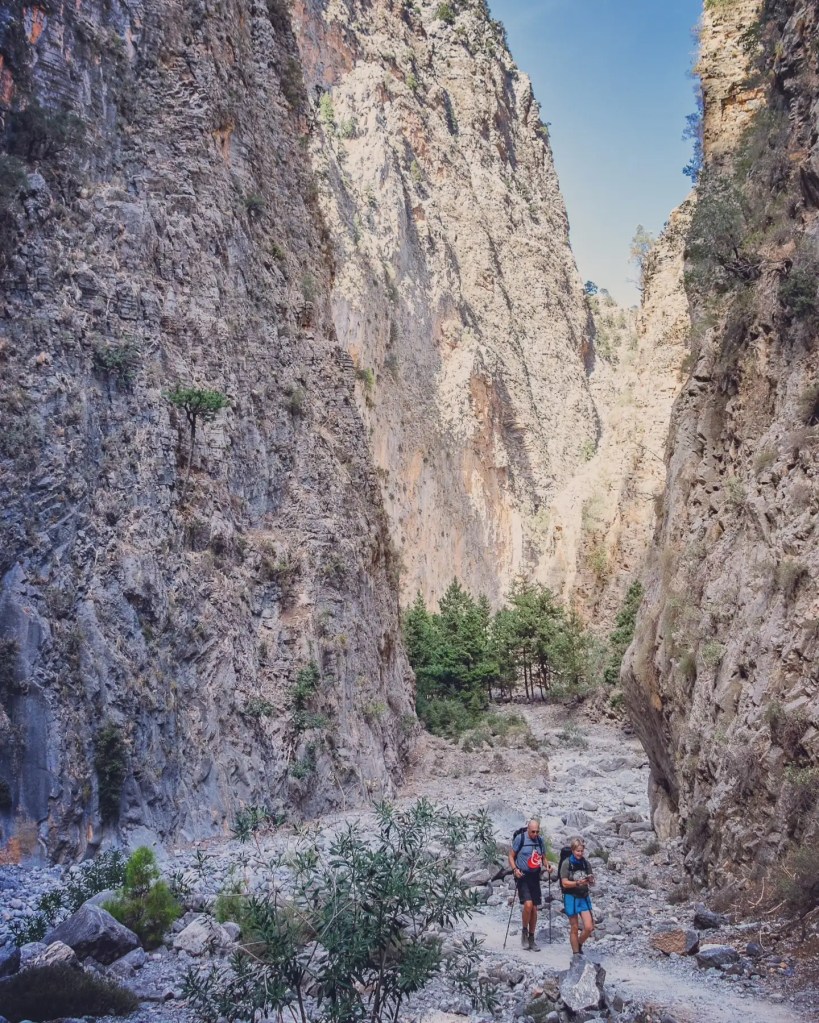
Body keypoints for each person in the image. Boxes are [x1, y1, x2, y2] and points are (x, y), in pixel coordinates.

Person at [508, 817, 555, 951]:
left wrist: (548, 866)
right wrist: (515, 870)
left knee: (535, 908)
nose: (535, 834)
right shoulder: (520, 839)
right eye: (533, 832)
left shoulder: (540, 841)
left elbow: (543, 858)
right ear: (528, 829)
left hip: (535, 876)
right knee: (528, 905)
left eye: (537, 832)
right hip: (522, 875)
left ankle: (531, 937)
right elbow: (511, 856)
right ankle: (524, 931)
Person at [559, 836, 595, 955]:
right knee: (574, 927)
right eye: (577, 851)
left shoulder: (586, 863)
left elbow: (592, 882)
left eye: (581, 851)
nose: (580, 853)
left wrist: (590, 881)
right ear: (573, 851)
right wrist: (577, 883)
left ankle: (579, 943)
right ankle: (576, 954)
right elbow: (564, 883)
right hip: (571, 897)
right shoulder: (566, 864)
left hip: (583, 896)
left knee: (589, 927)